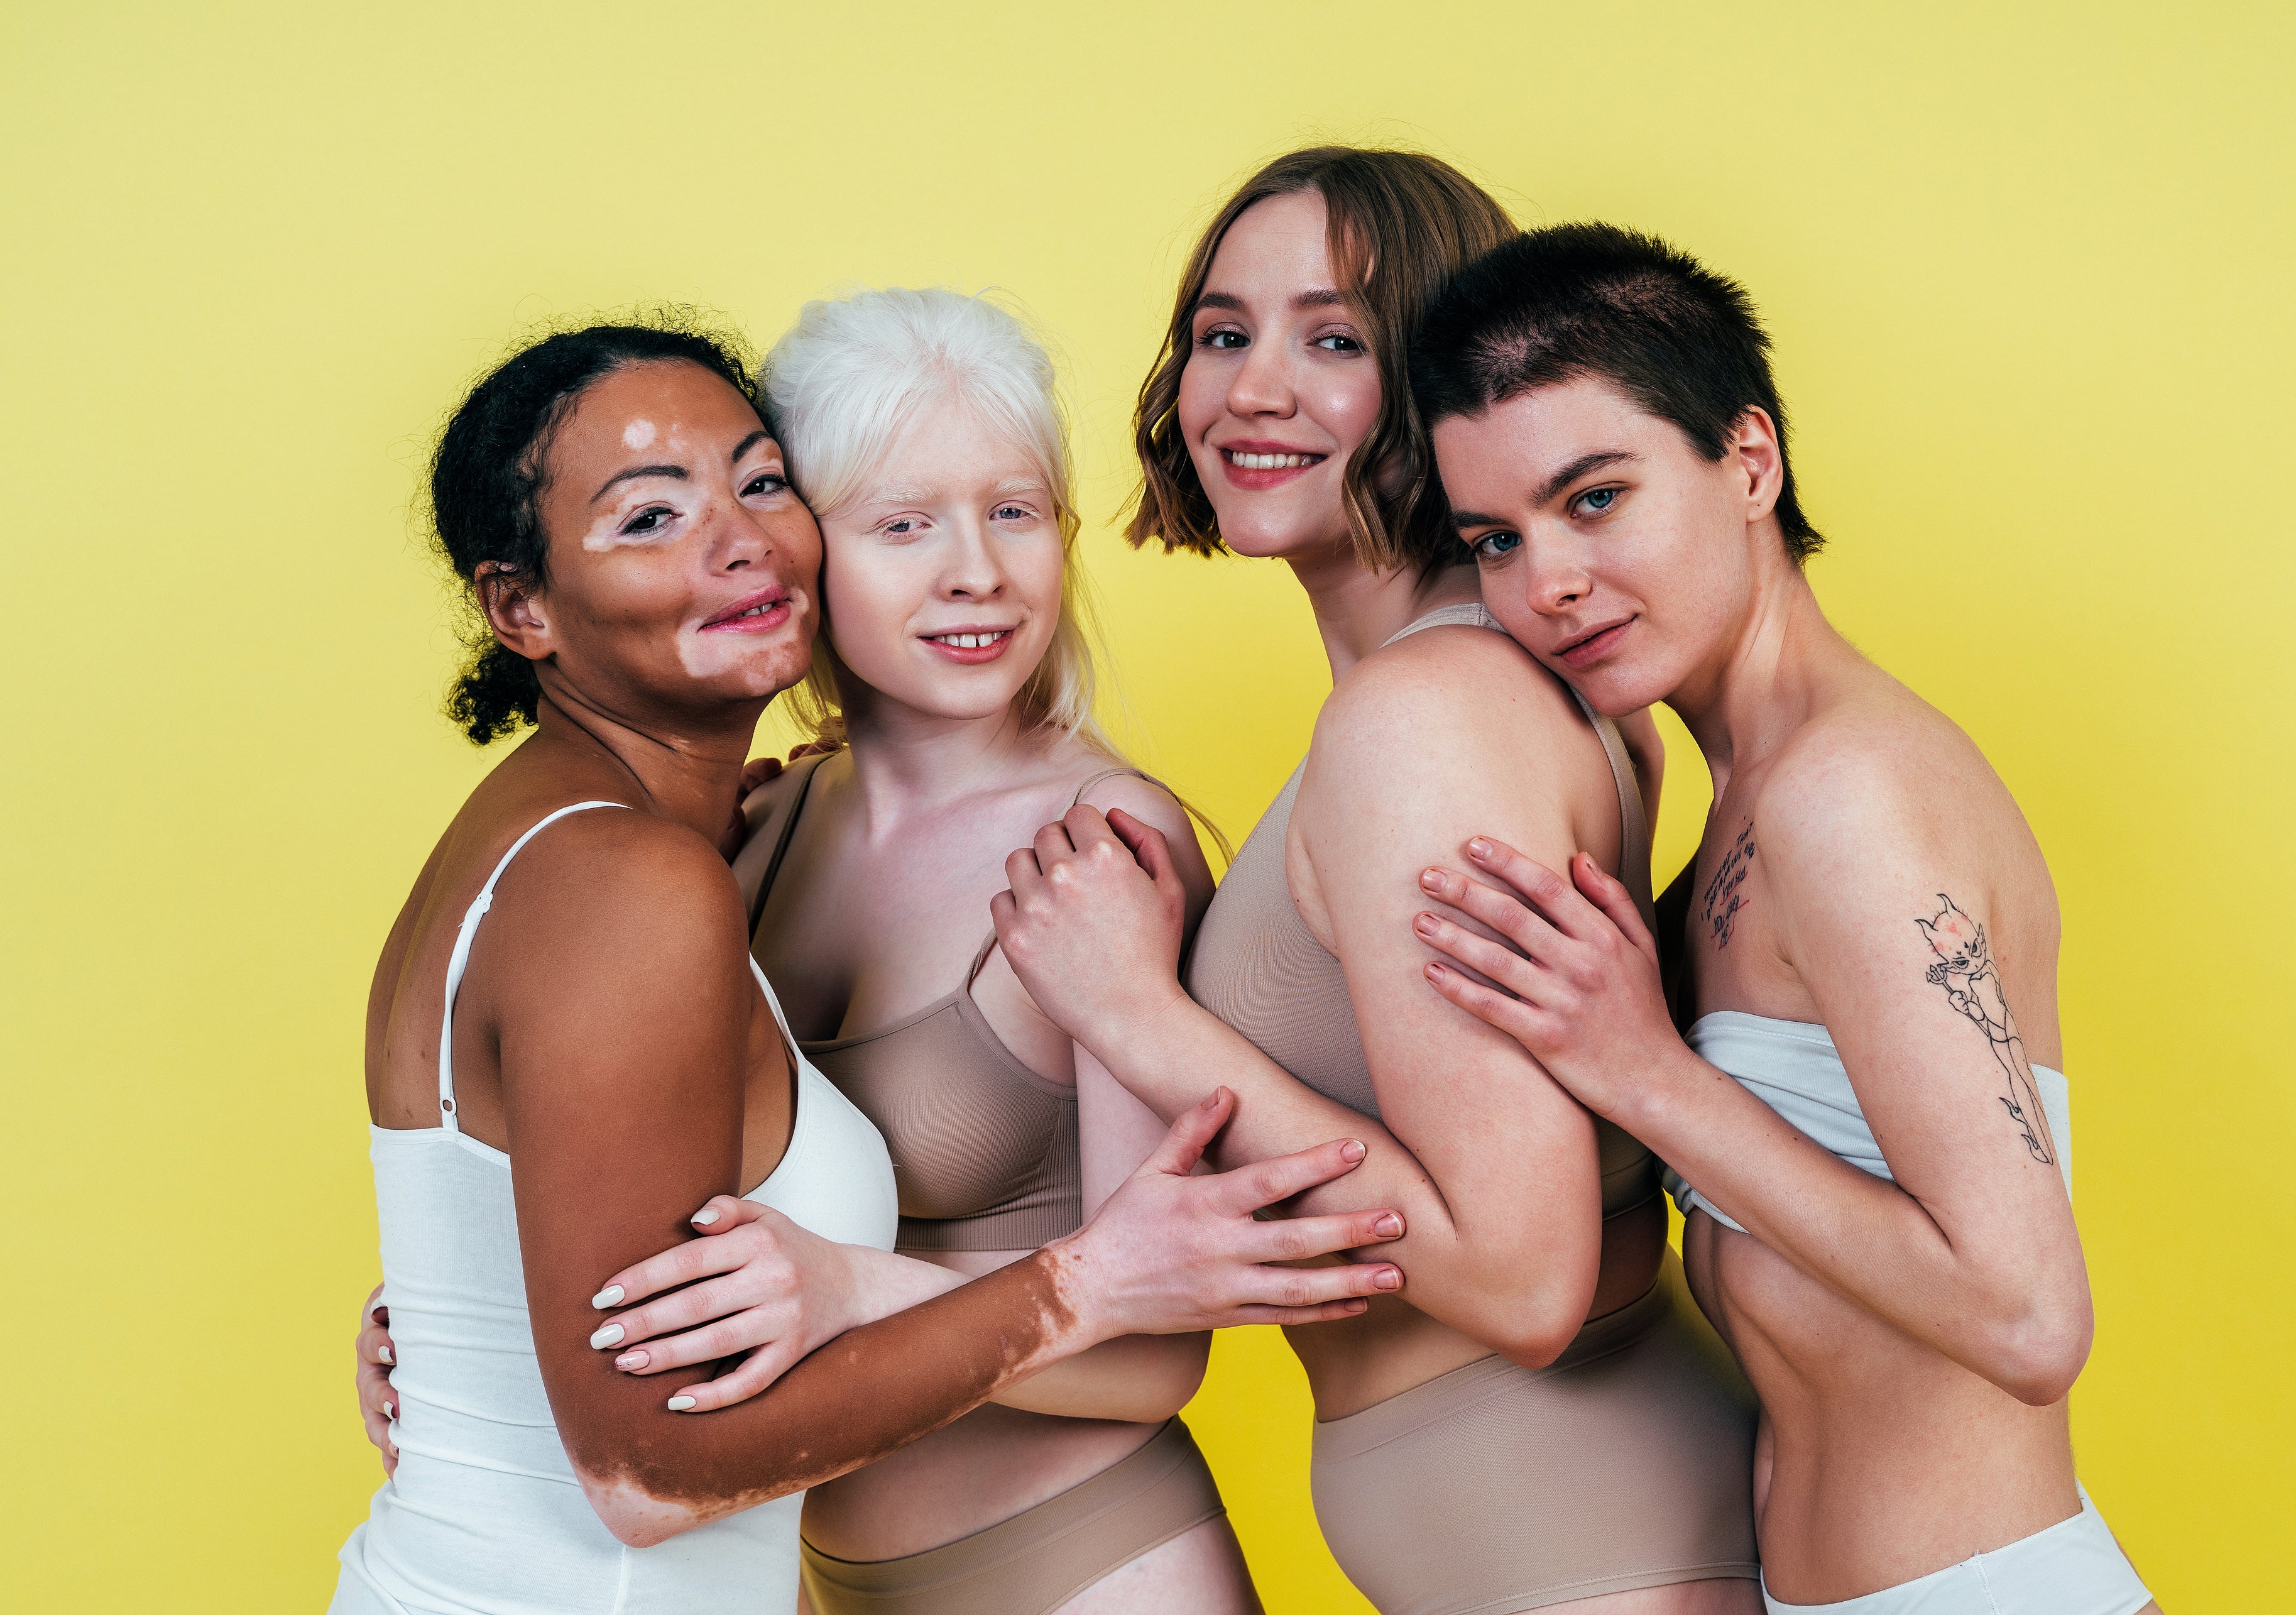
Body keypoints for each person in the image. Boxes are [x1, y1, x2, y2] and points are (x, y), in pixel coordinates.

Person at [334, 315, 1404, 1615]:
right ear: (521, 606)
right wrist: (472, 1323)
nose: (973, 574)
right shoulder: (740, 838)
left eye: (1014, 511)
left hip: (1081, 1565)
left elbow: (1148, 1332)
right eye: (901, 523)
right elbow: (602, 1220)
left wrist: (851, 1285)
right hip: (815, 1574)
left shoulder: (1093, 854)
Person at [988, 148, 1763, 1615]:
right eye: (1222, 334)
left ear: (1445, 385)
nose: (1252, 391)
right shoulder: (1501, 676)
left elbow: (1522, 1282)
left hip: (1586, 1550)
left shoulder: (1429, 719)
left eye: (1332, 339)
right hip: (1562, 1539)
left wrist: (1135, 1011)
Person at [1401, 223, 2158, 1614]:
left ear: (1748, 460)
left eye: (1595, 498)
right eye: (1493, 540)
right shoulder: (1739, 799)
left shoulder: (1846, 796)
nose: (1545, 581)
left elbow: (2027, 1316)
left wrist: (1645, 1072)